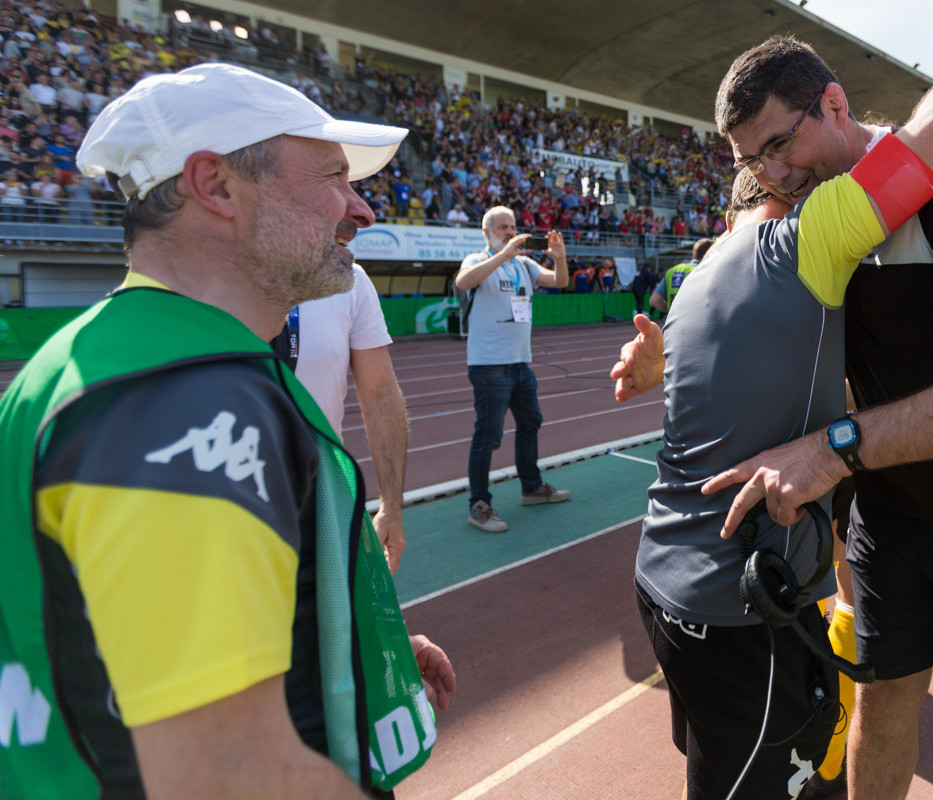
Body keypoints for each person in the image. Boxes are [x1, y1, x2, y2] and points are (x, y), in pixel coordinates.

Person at [617, 36, 933, 800]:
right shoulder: (812, 223)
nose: (772, 174)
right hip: (890, 516)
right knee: (878, 707)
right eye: (752, 162)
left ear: (834, 104)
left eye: (779, 145)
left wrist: (836, 447)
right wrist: (673, 359)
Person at [0, 64, 455, 799]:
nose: (363, 209)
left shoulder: (104, 365)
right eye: (334, 178)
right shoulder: (191, 402)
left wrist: (351, 648)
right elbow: (224, 776)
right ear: (215, 186)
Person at [280, 263, 410, 570]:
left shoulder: (351, 278)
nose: (349, 241)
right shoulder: (209, 266)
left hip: (320, 499)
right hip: (224, 497)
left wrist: (390, 507)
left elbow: (380, 394)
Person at [455, 206, 571, 534]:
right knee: (488, 436)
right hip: (489, 365)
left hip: (521, 363)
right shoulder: (477, 260)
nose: (509, 232)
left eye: (512, 226)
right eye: (502, 227)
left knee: (531, 422)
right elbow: (463, 282)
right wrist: (502, 255)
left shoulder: (524, 265)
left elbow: (560, 281)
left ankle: (531, 488)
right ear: (486, 232)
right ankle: (479, 505)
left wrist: (560, 258)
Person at [649, 237, 714, 316]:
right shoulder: (705, 270)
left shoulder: (671, 271)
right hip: (695, 320)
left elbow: (654, 301)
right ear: (710, 253)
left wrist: (672, 311)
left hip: (672, 321)